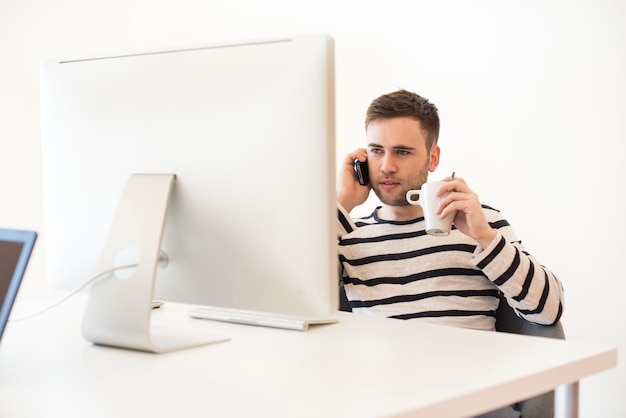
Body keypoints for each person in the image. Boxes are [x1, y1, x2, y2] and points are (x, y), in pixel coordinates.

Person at [336, 89, 564, 417]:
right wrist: (341, 204)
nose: (386, 166)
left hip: (472, 400)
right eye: (376, 150)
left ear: (432, 158)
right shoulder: (347, 233)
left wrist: (484, 236)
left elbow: (549, 311)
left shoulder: (481, 222)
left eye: (402, 152)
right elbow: (290, 310)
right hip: (383, 400)